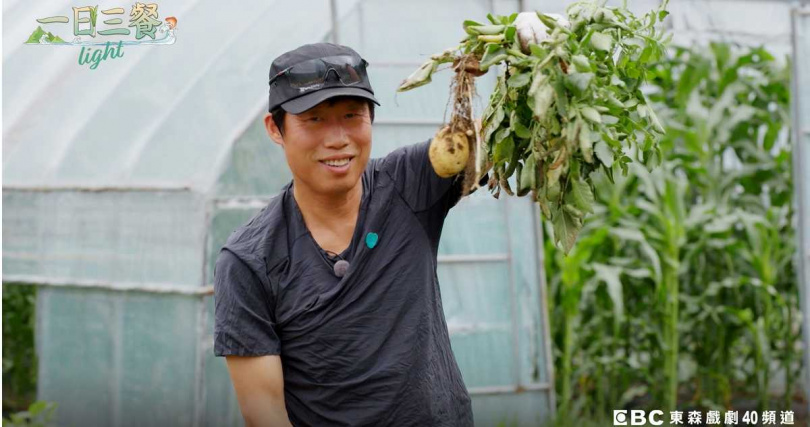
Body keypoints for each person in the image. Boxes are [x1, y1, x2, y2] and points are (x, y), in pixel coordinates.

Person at [213, 42, 488, 426]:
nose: (338, 138)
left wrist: (532, 60)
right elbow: (265, 413)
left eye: (351, 115)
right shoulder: (249, 261)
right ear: (275, 129)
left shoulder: (409, 185)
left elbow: (504, 137)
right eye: (314, 119)